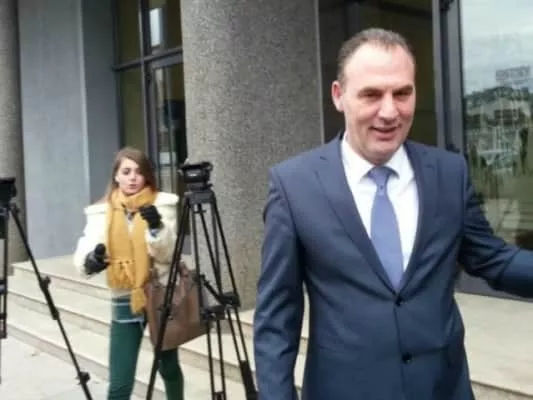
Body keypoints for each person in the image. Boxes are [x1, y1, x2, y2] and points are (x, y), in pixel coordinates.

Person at [253, 27, 533, 400]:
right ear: (338, 96)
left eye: (402, 93)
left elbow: (493, 260)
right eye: (371, 94)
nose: (389, 112)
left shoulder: (449, 173)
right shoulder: (294, 186)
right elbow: (277, 320)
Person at [73, 147, 184, 400]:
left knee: (169, 369)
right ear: (116, 176)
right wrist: (91, 260)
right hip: (124, 297)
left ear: (147, 176)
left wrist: (156, 227)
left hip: (159, 295)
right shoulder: (101, 212)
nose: (133, 177)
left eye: (139, 172)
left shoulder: (162, 205)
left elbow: (169, 254)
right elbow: (87, 246)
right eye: (126, 172)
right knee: (120, 384)